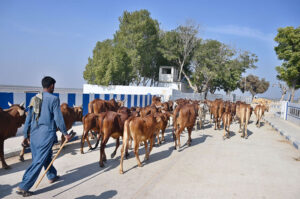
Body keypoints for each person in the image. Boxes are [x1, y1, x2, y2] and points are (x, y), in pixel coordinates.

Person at [16, 76, 71, 197]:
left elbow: (28, 119)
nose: (54, 88)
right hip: (46, 135)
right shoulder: (54, 99)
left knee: (45, 156)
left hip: (34, 135)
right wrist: (65, 133)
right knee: (38, 161)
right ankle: (24, 186)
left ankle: (51, 176)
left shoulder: (34, 98)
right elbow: (58, 118)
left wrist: (25, 135)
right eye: (53, 86)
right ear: (51, 86)